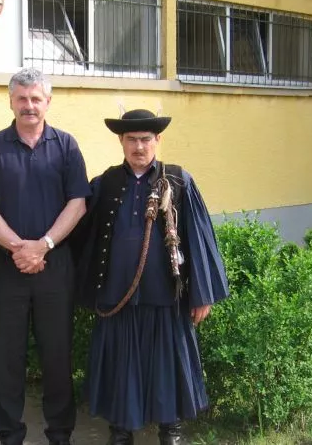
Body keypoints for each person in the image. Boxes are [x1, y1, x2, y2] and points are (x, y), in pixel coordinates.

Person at [72, 109, 229, 445]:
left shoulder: (179, 181)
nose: (139, 146)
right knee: (121, 370)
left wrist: (202, 294)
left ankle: (171, 434)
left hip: (166, 298)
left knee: (167, 370)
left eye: (145, 139)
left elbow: (198, 238)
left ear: (157, 140)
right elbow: (84, 234)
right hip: (118, 299)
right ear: (121, 141)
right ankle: (121, 434)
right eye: (132, 139)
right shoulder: (105, 183)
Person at [0, 68, 90, 445]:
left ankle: (60, 434)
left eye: (36, 98)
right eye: (22, 98)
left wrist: (44, 245)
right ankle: (9, 435)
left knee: (57, 356)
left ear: (47, 102)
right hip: (7, 269)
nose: (29, 105)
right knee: (7, 357)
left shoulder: (66, 146)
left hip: (56, 268)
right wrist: (20, 248)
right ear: (11, 102)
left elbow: (78, 203)